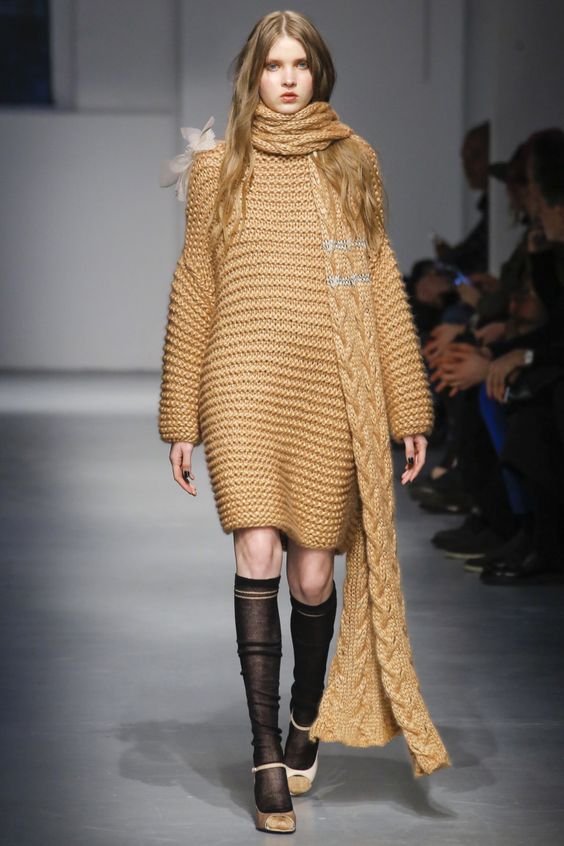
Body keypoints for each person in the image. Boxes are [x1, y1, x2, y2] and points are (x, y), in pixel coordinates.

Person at [158, 10, 450, 835]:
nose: (286, 79)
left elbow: (380, 280)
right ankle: (265, 755)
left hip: (329, 386)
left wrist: (407, 402)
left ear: (318, 73)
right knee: (257, 548)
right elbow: (196, 282)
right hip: (242, 380)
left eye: (300, 65)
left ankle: (303, 715)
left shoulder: (354, 161)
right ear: (252, 75)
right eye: (272, 65)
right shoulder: (217, 167)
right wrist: (181, 413)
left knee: (314, 575)